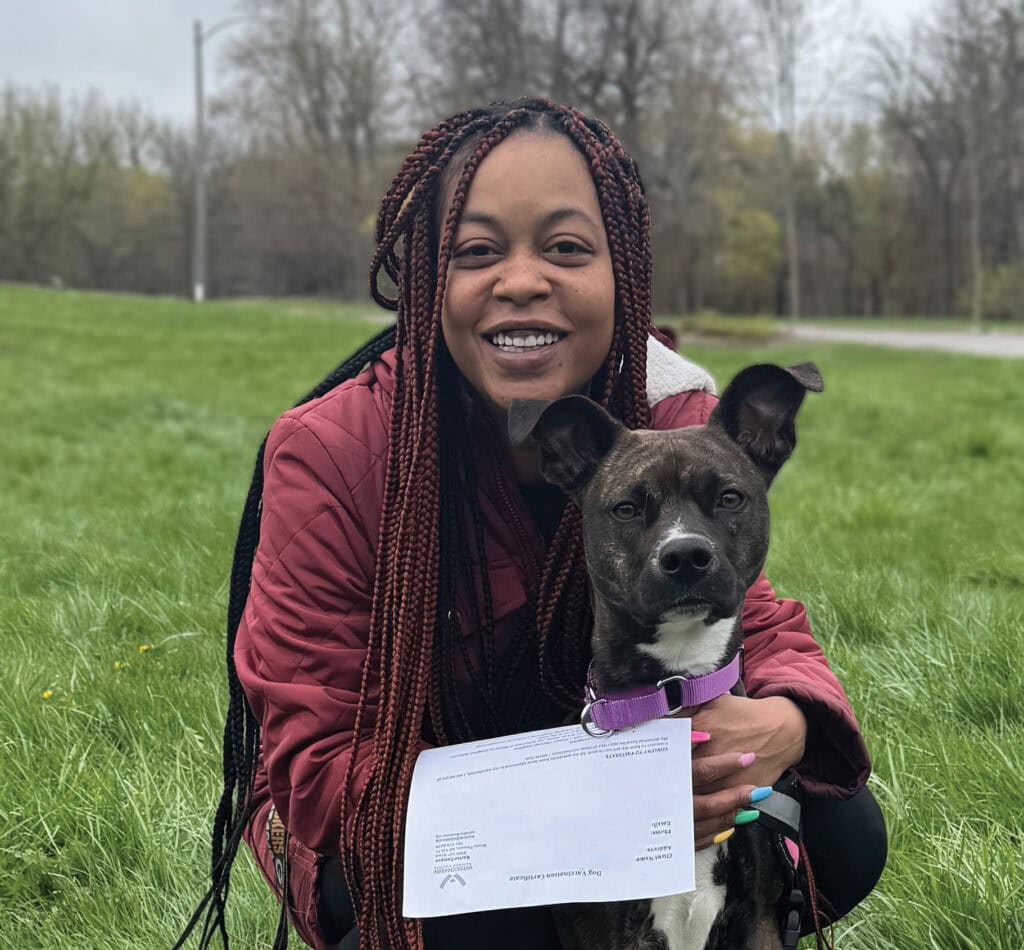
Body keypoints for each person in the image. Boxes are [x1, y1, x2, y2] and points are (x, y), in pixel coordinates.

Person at [180, 98, 886, 950]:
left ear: (622, 271)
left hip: (602, 756)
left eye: (566, 248)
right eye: (477, 251)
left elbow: (759, 624)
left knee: (836, 828)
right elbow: (316, 761)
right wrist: (578, 801)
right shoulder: (335, 449)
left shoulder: (671, 416)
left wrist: (788, 725)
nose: (520, 281)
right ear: (429, 277)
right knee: (493, 911)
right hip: (392, 812)